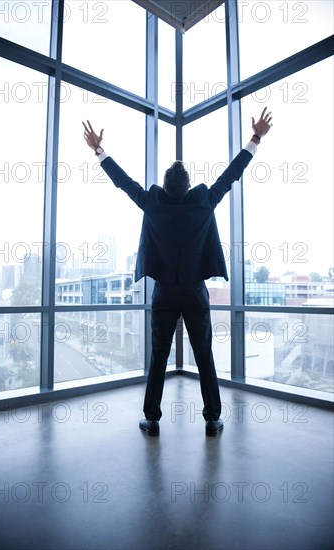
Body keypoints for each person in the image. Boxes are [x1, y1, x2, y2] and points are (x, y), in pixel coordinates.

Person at [82, 108, 273, 436]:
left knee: (159, 355)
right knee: (204, 355)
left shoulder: (153, 202)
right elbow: (231, 175)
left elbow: (124, 183)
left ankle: (152, 419)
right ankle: (213, 419)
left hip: (165, 292)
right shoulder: (203, 200)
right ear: (187, 186)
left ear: (166, 186)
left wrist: (99, 151)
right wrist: (255, 138)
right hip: (195, 291)